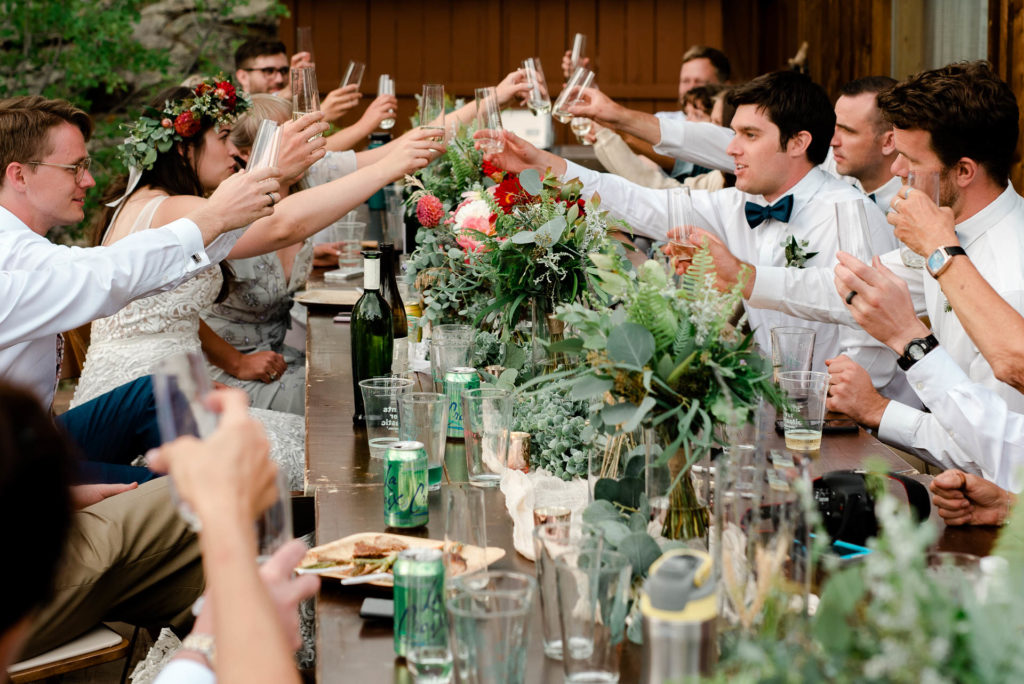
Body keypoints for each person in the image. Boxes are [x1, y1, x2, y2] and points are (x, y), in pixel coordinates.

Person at [70, 79, 438, 488]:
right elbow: (282, 224)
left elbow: (179, 316)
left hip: (182, 390)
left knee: (315, 438)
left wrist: (235, 362)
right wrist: (388, 168)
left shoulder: (161, 204)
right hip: (142, 415)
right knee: (312, 449)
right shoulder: (172, 209)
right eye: (223, 137)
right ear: (182, 147)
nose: (233, 150)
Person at [480, 70, 903, 398]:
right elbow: (641, 203)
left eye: (749, 136)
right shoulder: (737, 203)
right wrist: (541, 164)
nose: (732, 149)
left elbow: (871, 344)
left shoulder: (850, 215)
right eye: (734, 133)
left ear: (798, 143)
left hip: (848, 428)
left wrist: (820, 406)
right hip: (775, 405)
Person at [731, 61, 1024, 473]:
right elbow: (850, 287)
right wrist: (742, 276)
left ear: (963, 171)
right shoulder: (943, 231)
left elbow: (997, 449)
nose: (897, 170)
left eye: (908, 158)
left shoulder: (1011, 276)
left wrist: (879, 410)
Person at [0, 95, 280, 482]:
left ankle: (225, 473)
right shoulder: (11, 253)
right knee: (192, 493)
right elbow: (108, 274)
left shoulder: (28, 249)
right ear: (19, 175)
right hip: (12, 470)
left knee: (161, 393)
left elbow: (109, 273)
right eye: (75, 167)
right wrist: (215, 216)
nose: (89, 180)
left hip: (32, 440)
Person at [234, 38, 359, 125]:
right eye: (269, 71)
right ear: (243, 77)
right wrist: (320, 115)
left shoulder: (292, 106)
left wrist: (290, 91)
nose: (279, 79)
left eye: (283, 70)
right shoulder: (231, 114)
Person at [828, 76, 901, 211]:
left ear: (889, 142)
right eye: (834, 127)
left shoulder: (921, 204)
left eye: (848, 131)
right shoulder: (828, 168)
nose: (833, 141)